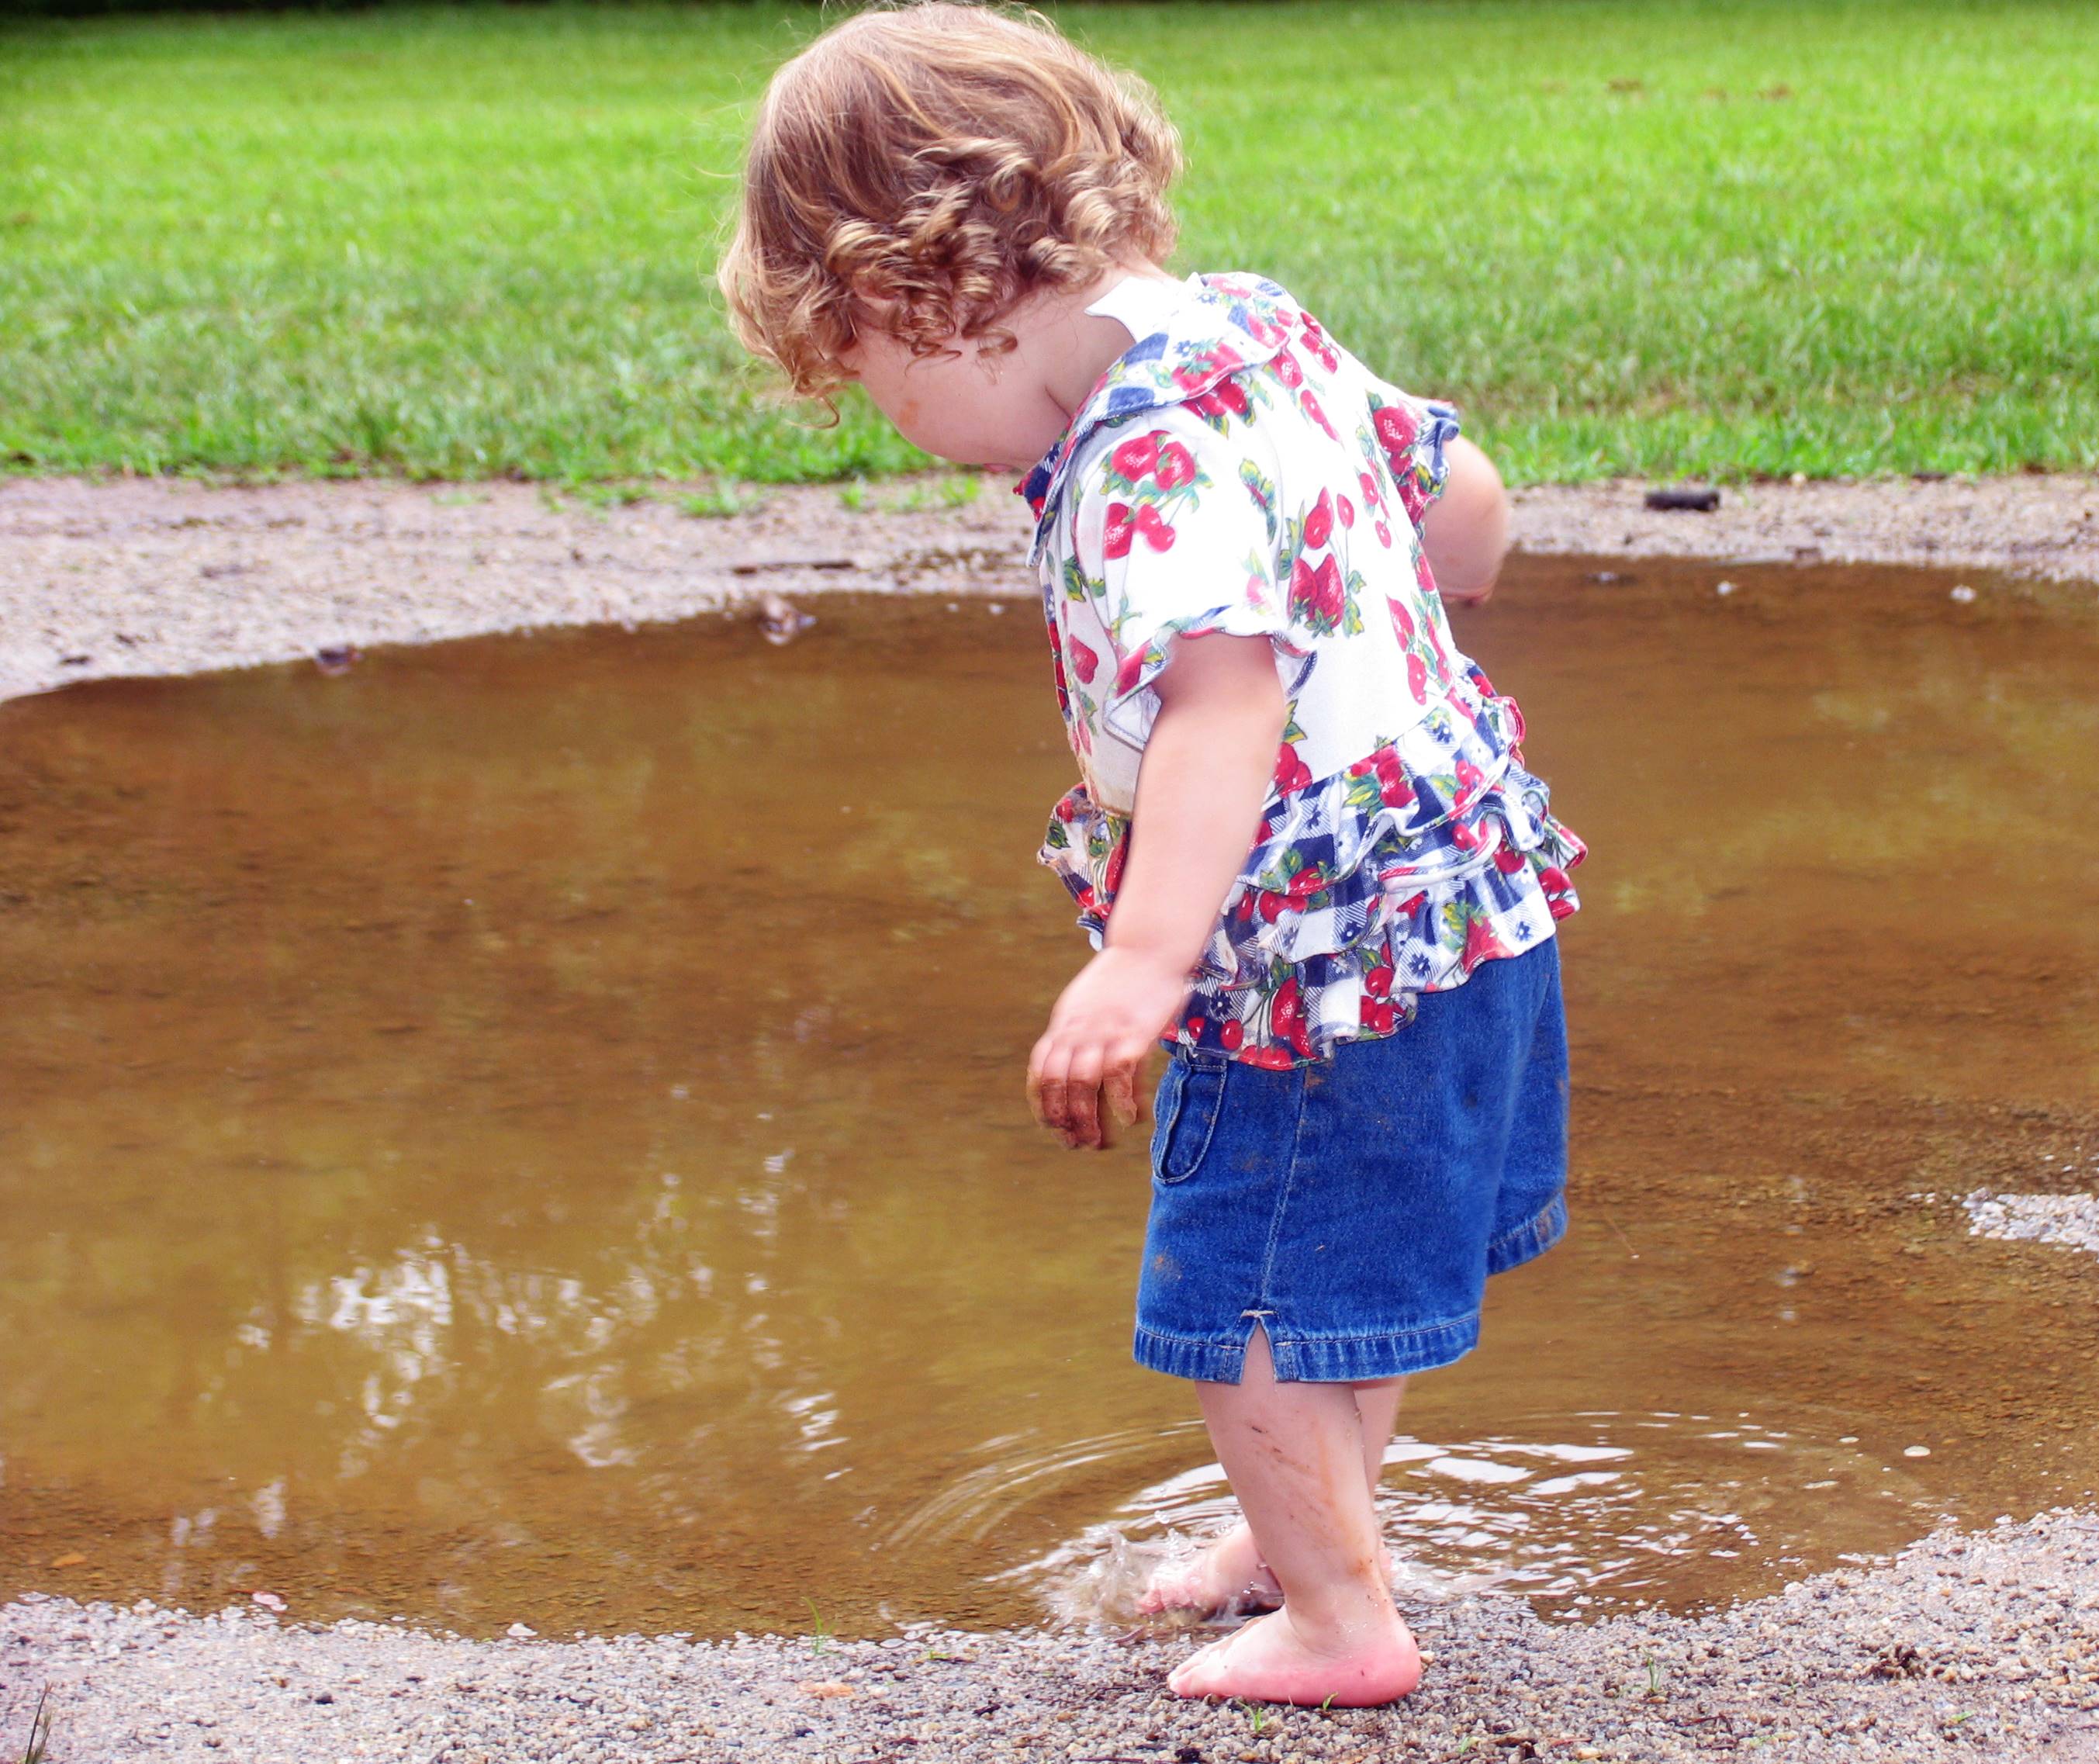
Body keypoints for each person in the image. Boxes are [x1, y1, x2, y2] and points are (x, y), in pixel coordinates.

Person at [718, 0, 1585, 1710]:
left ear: (919, 298)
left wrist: (1145, 958)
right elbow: (1457, 492)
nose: (899, 425)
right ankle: (1302, 1541)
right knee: (1339, 1261)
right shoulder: (1246, 326)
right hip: (1467, 906)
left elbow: (1219, 707)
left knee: (1240, 1287)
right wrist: (1454, 571)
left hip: (1309, 954)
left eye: (877, 387)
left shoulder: (1131, 468)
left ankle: (1345, 1624)